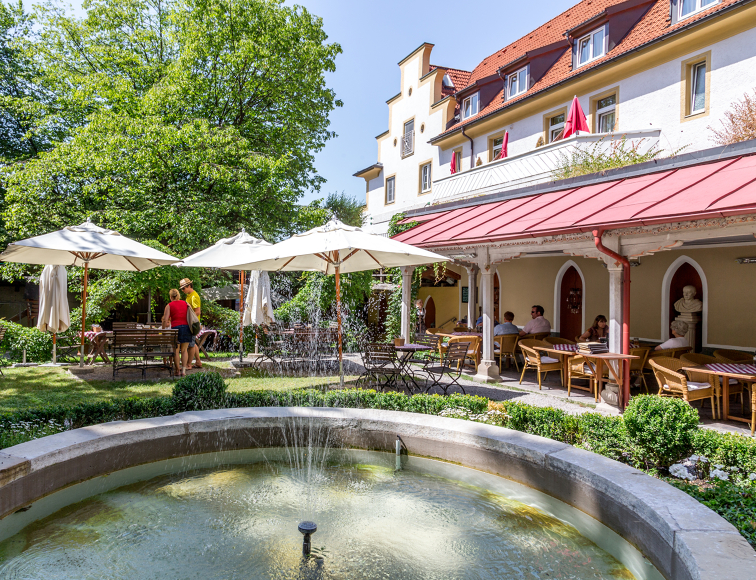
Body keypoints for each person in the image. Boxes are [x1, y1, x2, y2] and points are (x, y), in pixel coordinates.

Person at [162, 288, 191, 376]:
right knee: (184, 350)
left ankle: (177, 370)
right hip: (186, 328)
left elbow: (165, 320)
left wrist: (163, 331)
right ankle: (184, 371)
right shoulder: (186, 303)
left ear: (171, 297)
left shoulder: (169, 305)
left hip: (175, 329)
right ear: (178, 295)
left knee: (176, 350)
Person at [180, 278, 202, 368]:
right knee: (192, 343)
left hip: (192, 324)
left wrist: (188, 320)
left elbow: (197, 312)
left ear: (189, 286)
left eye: (183, 288)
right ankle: (198, 361)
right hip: (190, 323)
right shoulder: (189, 295)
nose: (182, 290)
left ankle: (188, 364)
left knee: (191, 345)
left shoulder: (194, 296)